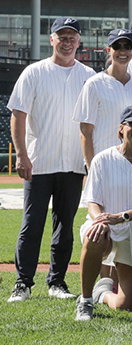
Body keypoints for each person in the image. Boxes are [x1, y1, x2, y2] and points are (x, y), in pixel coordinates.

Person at [8, 17, 95, 303]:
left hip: (72, 163)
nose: (67, 41)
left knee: (65, 227)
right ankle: (23, 283)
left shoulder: (88, 75)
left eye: (72, 37)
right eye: (62, 36)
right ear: (52, 39)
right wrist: (21, 154)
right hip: (39, 163)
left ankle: (57, 282)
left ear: (79, 41)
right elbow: (18, 115)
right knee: (32, 224)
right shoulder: (34, 72)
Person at [74, 106, 132, 321]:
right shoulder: (102, 159)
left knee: (128, 306)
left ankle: (102, 293)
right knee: (95, 234)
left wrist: (120, 217)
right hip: (106, 227)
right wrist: (101, 220)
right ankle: (85, 301)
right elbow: (92, 201)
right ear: (121, 129)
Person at [75, 29, 132, 167]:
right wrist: (91, 166)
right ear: (109, 50)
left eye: (127, 47)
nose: (122, 51)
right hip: (103, 164)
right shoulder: (94, 84)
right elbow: (85, 131)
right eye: (117, 46)